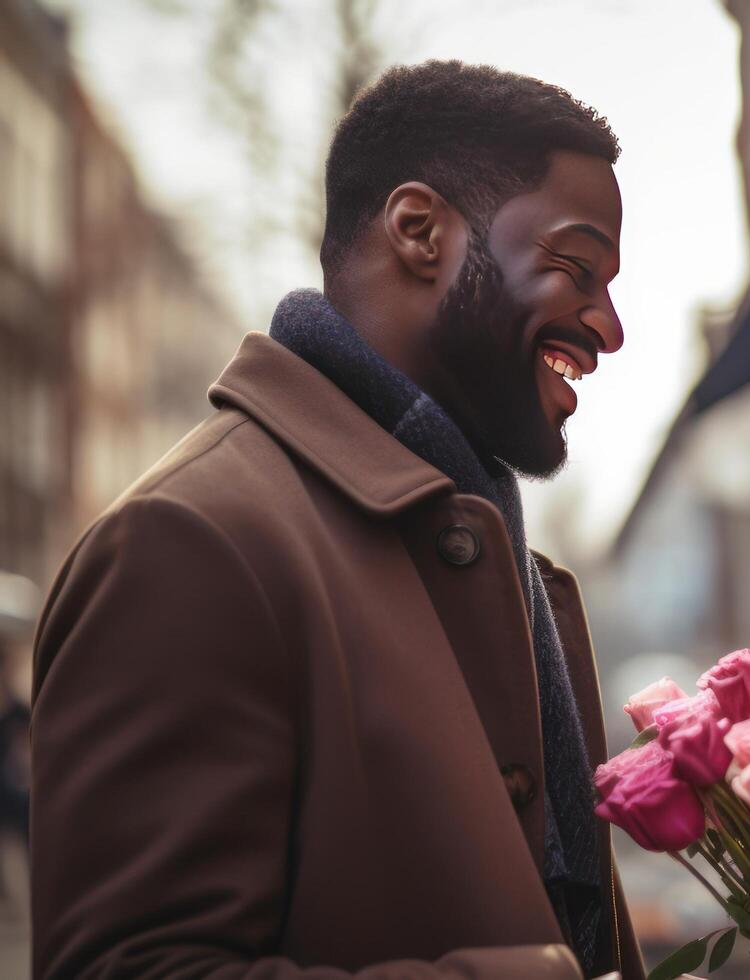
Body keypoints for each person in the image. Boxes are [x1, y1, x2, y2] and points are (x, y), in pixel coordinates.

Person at [31, 62, 641, 979]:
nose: (609, 324)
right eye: (570, 265)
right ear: (418, 232)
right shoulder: (189, 544)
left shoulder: (485, 550)